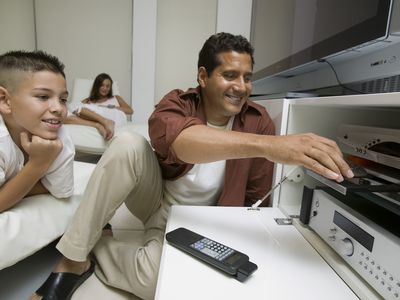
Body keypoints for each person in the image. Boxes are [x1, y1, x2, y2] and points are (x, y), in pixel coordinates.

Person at [31, 32, 354, 300]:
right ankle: (72, 259)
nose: (241, 86)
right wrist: (272, 146)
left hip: (208, 221)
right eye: (229, 75)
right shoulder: (175, 103)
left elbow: (255, 196)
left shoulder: (258, 120)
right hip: (157, 203)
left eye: (247, 77)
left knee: (154, 283)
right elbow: (182, 144)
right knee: (128, 142)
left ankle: (99, 245)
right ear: (203, 76)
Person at [0, 50, 75, 213]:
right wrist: (39, 163)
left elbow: (61, 190)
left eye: (63, 99)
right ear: (5, 100)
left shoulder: (59, 135)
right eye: (43, 96)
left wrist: (10, 187)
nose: (59, 109)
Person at [64, 73, 134, 140]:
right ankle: (97, 125)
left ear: (110, 88)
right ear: (97, 86)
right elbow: (75, 108)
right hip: (93, 119)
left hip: (112, 117)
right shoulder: (89, 100)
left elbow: (130, 111)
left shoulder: (116, 98)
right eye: (102, 85)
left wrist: (110, 107)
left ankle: (105, 122)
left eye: (108, 86)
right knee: (65, 118)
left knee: (80, 109)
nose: (105, 88)